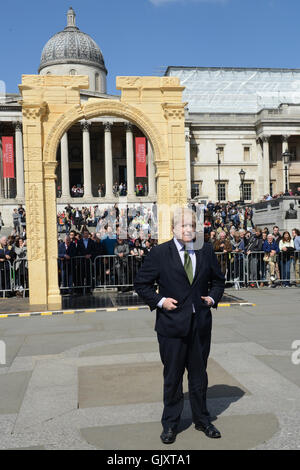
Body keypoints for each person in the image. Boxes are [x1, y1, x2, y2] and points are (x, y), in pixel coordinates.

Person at [134, 207, 225, 444]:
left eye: (192, 226)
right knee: (173, 377)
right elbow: (141, 284)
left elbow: (218, 281)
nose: (188, 230)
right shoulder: (160, 252)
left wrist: (212, 298)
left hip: (200, 324)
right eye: (183, 225)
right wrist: (161, 301)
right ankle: (171, 424)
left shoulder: (205, 250)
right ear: (174, 228)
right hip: (171, 326)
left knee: (198, 376)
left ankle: (202, 420)